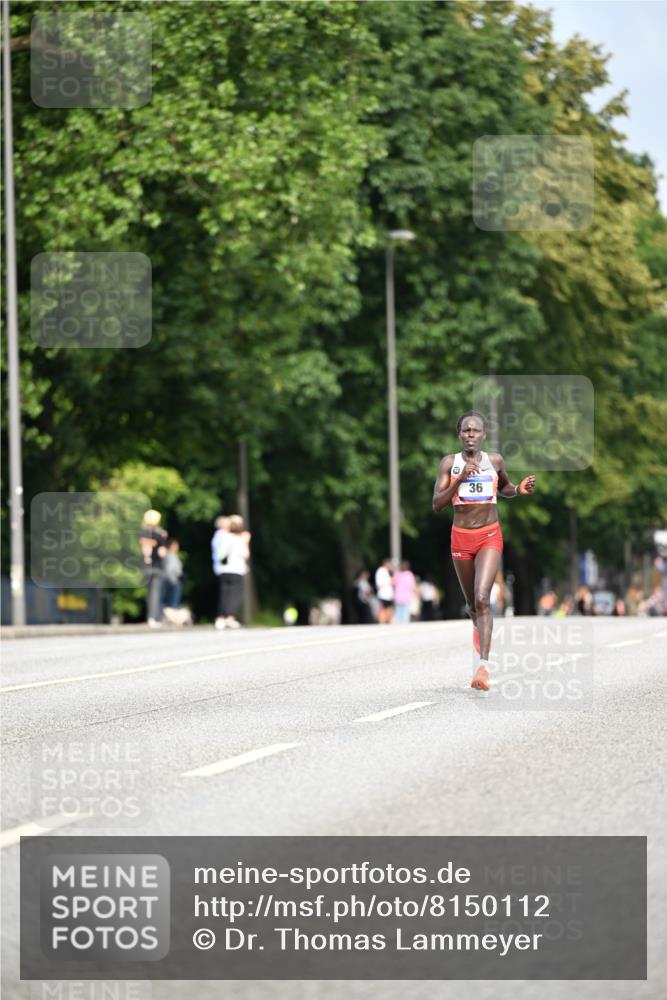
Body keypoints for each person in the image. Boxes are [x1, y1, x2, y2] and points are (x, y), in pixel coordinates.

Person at [432, 412, 536, 691]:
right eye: (465, 430)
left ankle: (483, 667)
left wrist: (519, 489)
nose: (470, 435)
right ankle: (479, 633)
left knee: (482, 599)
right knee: (471, 605)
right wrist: (459, 479)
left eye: (475, 430)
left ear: (483, 434)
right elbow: (437, 504)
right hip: (460, 538)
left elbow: (504, 489)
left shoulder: (495, 461)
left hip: (489, 534)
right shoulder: (449, 464)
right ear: (459, 435)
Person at [212, 514, 251, 629]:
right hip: (236, 569)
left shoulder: (223, 537)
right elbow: (246, 555)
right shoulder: (239, 539)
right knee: (234, 594)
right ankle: (230, 617)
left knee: (224, 593)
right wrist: (246, 542)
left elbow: (220, 554)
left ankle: (221, 617)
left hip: (224, 569)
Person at [139, 509, 168, 627]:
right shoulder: (160, 535)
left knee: (150, 593)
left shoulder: (142, 532)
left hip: (146, 566)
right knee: (155, 593)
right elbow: (162, 553)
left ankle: (151, 617)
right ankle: (153, 617)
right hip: (156, 567)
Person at [162, 539, 183, 609]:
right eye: (175, 545)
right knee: (173, 600)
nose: (177, 547)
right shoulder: (170, 556)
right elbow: (169, 569)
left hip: (171, 579)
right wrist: (172, 578)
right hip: (172, 580)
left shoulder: (171, 555)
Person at [374, 558, 395, 624]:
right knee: (383, 609)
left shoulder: (387, 572)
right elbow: (379, 584)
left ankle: (388, 622)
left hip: (389, 595)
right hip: (383, 594)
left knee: (390, 609)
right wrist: (390, 582)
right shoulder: (380, 571)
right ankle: (382, 622)